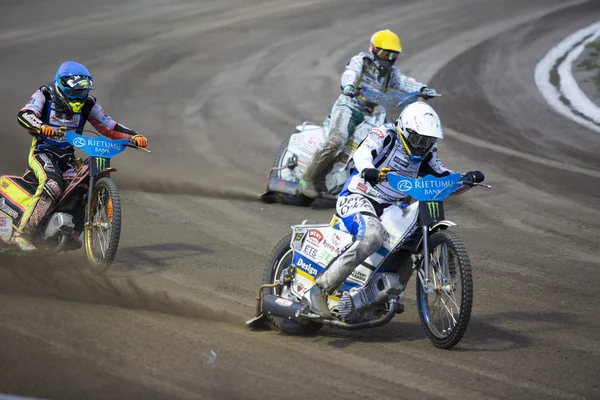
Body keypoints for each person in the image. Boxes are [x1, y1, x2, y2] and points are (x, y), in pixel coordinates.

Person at [306, 101, 484, 317]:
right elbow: (363, 153)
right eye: (418, 139)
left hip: (392, 207)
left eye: (428, 141)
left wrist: (465, 180)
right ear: (405, 130)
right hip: (360, 196)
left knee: (409, 245)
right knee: (372, 237)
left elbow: (442, 177)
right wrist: (368, 169)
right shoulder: (386, 134)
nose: (422, 146)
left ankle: (380, 296)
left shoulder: (427, 153)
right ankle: (320, 289)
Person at [13, 61, 148, 252]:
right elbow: (25, 114)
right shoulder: (44, 94)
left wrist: (134, 136)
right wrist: (41, 127)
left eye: (82, 92)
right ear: (61, 87)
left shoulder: (88, 104)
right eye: (74, 92)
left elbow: (108, 125)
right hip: (42, 152)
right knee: (53, 184)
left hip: (67, 157)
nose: (79, 97)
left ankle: (70, 232)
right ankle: (23, 234)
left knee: (82, 184)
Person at [300, 29, 438, 198]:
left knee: (375, 142)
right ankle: (307, 178)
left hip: (368, 113)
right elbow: (350, 72)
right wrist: (348, 85)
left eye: (392, 56)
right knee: (336, 141)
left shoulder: (391, 73)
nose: (388, 59)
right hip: (349, 106)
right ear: (373, 49)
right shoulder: (361, 61)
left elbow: (403, 81)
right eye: (384, 53)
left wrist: (422, 89)